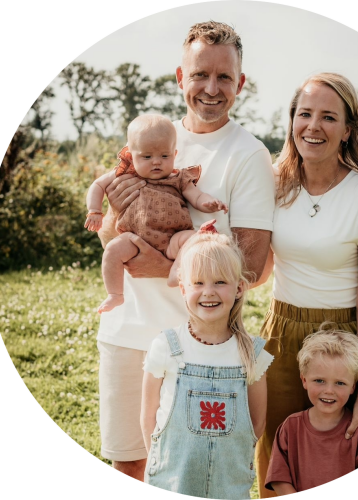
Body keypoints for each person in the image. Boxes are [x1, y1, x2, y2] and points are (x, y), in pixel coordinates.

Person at [95, 21, 275, 482]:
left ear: (240, 83)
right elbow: (111, 231)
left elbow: (252, 268)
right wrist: (115, 222)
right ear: (180, 78)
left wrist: (162, 266)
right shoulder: (149, 136)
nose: (211, 88)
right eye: (199, 75)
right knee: (129, 463)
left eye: (223, 77)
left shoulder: (249, 155)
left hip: (199, 345)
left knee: (190, 473)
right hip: (128, 330)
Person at [254, 72, 358, 498]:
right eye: (304, 114)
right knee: (277, 461)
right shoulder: (273, 184)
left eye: (328, 117)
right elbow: (258, 270)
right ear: (292, 120)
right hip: (280, 335)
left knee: (355, 448)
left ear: (348, 129)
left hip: (344, 339)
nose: (313, 126)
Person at [141, 224, 273, 498]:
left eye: (220, 282)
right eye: (198, 283)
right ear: (183, 289)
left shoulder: (251, 354)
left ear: (239, 288)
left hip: (229, 485)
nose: (208, 292)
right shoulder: (167, 346)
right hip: (172, 479)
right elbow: (149, 416)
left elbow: (256, 424)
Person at [84, 113, 228, 313]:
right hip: (134, 239)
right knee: (113, 250)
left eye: (164, 156)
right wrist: (94, 211)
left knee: (194, 239)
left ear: (174, 154)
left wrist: (209, 203)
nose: (156, 162)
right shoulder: (124, 174)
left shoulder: (179, 178)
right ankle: (115, 294)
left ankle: (176, 270)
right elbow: (98, 185)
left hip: (172, 238)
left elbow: (196, 197)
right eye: (147, 157)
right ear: (131, 156)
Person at [265, 322, 358, 495]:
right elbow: (279, 478)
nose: (329, 390)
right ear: (304, 380)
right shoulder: (290, 428)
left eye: (340, 383)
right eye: (319, 381)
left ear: (353, 386)